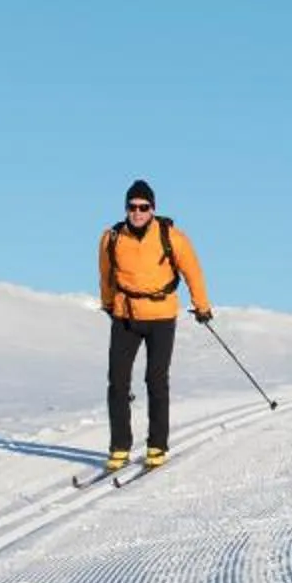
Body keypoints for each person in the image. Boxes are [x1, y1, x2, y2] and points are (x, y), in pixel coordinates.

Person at [99, 177, 212, 469]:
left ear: (153, 208)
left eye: (143, 206)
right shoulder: (111, 238)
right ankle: (119, 447)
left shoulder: (172, 237)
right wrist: (109, 303)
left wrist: (202, 306)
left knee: (156, 380)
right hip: (125, 315)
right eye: (132, 206)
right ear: (126, 208)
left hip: (161, 316)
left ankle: (157, 446)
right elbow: (106, 274)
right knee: (117, 382)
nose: (137, 212)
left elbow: (193, 272)